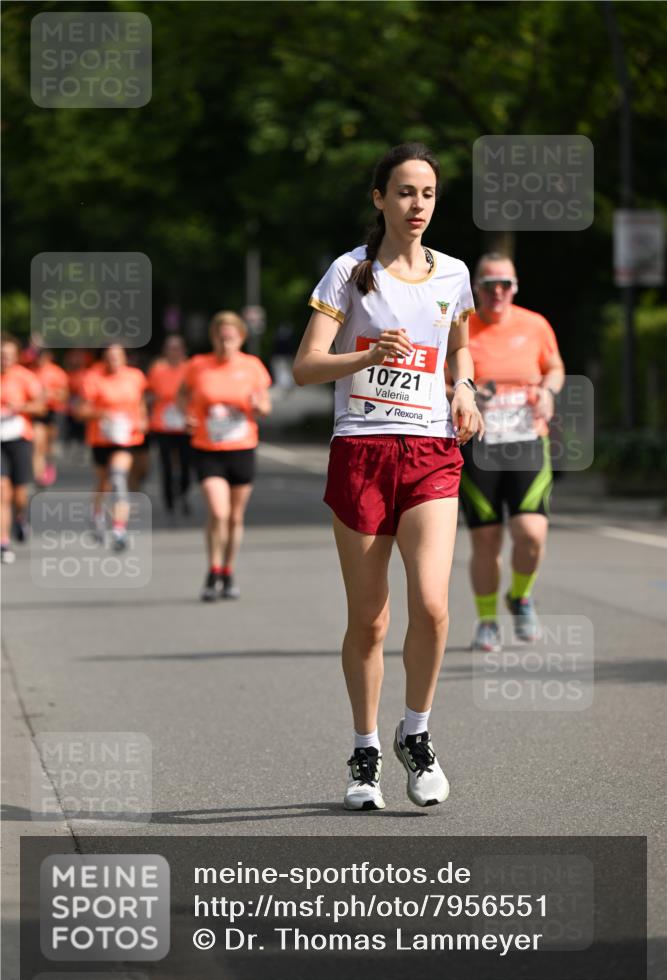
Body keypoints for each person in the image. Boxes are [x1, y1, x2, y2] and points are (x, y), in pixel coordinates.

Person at [293, 143, 483, 811]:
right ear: (379, 199)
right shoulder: (351, 272)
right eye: (404, 192)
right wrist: (367, 354)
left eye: (427, 194)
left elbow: (458, 343)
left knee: (432, 606)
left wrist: (463, 387)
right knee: (369, 621)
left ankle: (417, 734)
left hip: (430, 450)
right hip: (363, 451)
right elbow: (305, 367)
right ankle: (365, 747)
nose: (417, 206)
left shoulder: (453, 273)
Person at [459, 253, 565, 652]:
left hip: (525, 440)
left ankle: (520, 597)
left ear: (515, 288)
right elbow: (437, 380)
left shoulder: (534, 324)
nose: (498, 292)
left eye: (506, 284)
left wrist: (548, 391)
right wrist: (463, 393)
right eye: (490, 284)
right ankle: (487, 621)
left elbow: (554, 367)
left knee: (531, 534)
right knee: (486, 541)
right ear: (477, 288)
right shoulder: (461, 326)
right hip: (479, 444)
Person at [180, 311, 272, 601]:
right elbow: (182, 395)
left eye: (230, 337)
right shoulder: (198, 365)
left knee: (234, 517)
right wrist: (186, 414)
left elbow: (265, 404)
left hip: (242, 447)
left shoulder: (252, 366)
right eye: (220, 337)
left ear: (241, 338)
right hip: (208, 448)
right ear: (213, 338)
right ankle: (213, 568)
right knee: (218, 512)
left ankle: (228, 571)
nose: (225, 342)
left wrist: (259, 407)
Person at [76, 343, 148, 551]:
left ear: (125, 357)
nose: (114, 360)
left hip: (126, 437)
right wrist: (101, 414)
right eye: (109, 357)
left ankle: (119, 529)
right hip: (100, 438)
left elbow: (140, 401)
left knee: (118, 478)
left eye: (118, 356)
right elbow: (81, 410)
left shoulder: (135, 376)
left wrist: (142, 419)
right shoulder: (92, 378)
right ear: (103, 359)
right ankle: (97, 515)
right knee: (103, 483)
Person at [0, 335, 46, 563]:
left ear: (16, 357)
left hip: (18, 437)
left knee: (19, 493)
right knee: (1, 490)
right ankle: (3, 542)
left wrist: (21, 406)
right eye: (1, 355)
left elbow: (41, 407)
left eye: (8, 355)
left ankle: (21, 517)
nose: (4, 360)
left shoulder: (25, 377)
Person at [147, 335, 191, 517]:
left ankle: (182, 492)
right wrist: (152, 400)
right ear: (165, 351)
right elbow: (146, 394)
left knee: (186, 465)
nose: (174, 352)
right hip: (162, 424)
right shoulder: (157, 370)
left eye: (177, 348)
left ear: (183, 350)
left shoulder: (190, 369)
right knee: (166, 465)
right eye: (170, 348)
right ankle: (169, 502)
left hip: (185, 424)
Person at [29, 348, 69, 487]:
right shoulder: (31, 372)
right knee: (38, 443)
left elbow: (65, 395)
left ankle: (49, 466)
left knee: (49, 446)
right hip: (38, 412)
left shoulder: (57, 372)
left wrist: (51, 394)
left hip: (54, 411)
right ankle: (39, 476)